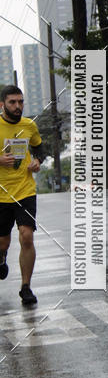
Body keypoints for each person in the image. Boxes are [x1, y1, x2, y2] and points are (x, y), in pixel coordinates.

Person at [0, 85, 44, 305]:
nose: (18, 106)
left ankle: (26, 287)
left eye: (20, 102)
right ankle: (1, 257)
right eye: (12, 102)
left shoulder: (29, 125)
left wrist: (37, 161)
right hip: (1, 194)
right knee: (2, 242)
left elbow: (39, 148)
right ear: (2, 105)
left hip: (25, 191)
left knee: (27, 236)